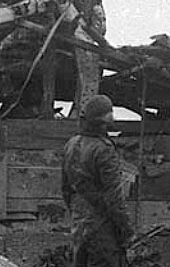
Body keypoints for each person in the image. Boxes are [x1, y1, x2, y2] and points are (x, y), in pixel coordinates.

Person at [62, 94, 133, 267]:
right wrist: (126, 230)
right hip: (102, 227)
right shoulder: (104, 149)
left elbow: (65, 188)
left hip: (79, 224)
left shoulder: (71, 144)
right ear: (105, 121)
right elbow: (114, 198)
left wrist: (77, 214)